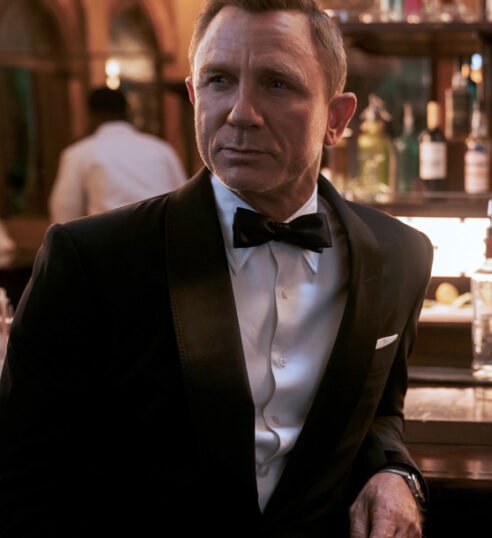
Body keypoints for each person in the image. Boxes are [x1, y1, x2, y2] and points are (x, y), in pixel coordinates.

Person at [0, 0, 432, 536]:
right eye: (219, 80)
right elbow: (23, 474)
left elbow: (379, 412)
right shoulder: (89, 259)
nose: (241, 112)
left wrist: (392, 471)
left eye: (277, 83)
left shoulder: (400, 255)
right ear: (193, 95)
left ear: (336, 119)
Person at [48, 87, 188, 223]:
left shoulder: (79, 153)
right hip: (161, 234)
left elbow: (64, 211)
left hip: (108, 236)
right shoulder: (161, 149)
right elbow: (184, 200)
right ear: (127, 113)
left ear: (90, 115)